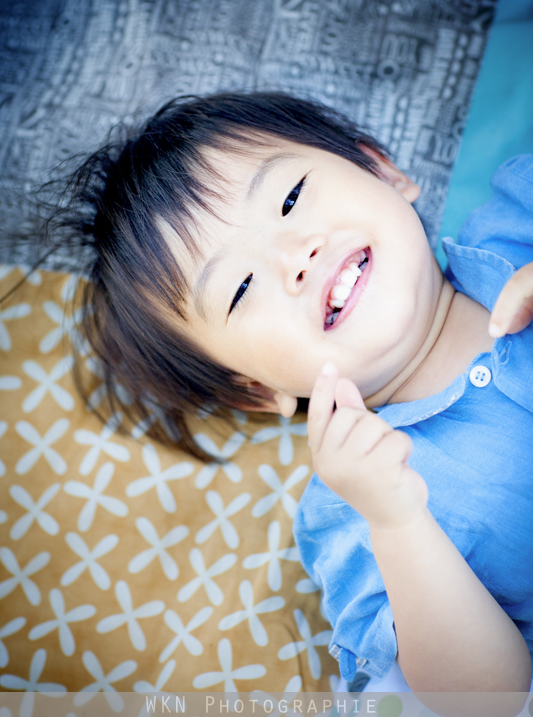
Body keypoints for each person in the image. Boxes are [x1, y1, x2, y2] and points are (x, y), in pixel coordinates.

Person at [39, 91, 533, 692]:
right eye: (242, 288)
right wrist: (398, 520)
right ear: (254, 388)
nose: (295, 257)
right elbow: (488, 697)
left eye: (291, 198)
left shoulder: (522, 214)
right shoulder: (353, 512)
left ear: (381, 170)